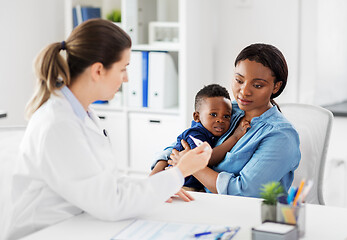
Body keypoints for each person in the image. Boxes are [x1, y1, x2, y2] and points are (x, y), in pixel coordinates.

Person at [3, 19, 212, 240]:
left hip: (78, 223)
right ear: (98, 70)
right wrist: (178, 172)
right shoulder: (57, 124)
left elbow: (107, 183)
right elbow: (111, 203)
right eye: (123, 69)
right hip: (45, 233)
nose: (127, 78)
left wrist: (158, 186)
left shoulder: (82, 114)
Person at [153, 43, 301, 198]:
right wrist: (154, 179)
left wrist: (190, 166)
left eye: (257, 85)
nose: (244, 91)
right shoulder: (227, 110)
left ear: (276, 87)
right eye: (239, 80)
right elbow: (182, 144)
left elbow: (244, 191)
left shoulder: (281, 136)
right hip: (198, 198)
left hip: (240, 212)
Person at [150, 84, 250, 191]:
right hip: (178, 186)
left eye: (226, 116)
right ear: (197, 117)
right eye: (213, 114)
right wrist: (235, 137)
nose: (220, 120)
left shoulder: (211, 134)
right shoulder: (195, 134)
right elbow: (206, 159)